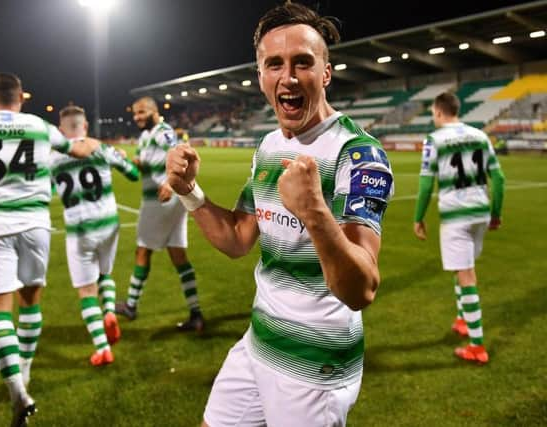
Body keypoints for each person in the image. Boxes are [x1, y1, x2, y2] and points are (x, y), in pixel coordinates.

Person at [166, 4, 393, 426]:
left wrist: (313, 211)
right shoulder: (270, 146)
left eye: (302, 63)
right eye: (275, 64)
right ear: (261, 77)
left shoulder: (359, 155)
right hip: (259, 343)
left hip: (315, 364)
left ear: (325, 73)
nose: (288, 77)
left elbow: (361, 288)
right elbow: (238, 237)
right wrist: (189, 193)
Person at [0, 72, 100, 426]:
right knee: (30, 303)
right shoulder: (40, 126)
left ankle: (17, 390)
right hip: (35, 225)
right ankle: (24, 370)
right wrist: (96, 144)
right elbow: (77, 147)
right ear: (21, 97)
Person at [414, 91, 505, 365]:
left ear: (439, 112)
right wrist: (496, 214)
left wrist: (418, 217)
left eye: (432, 112)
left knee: (465, 275)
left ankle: (477, 346)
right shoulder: (480, 135)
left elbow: (427, 184)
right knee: (463, 266)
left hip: (456, 216)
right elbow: (498, 178)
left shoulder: (434, 140)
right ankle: (463, 320)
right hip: (480, 212)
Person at [50, 105, 138, 366]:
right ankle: (109, 311)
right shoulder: (101, 148)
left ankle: (102, 348)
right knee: (105, 274)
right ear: (85, 126)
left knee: (86, 291)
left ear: (61, 129)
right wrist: (119, 155)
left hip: (80, 229)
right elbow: (133, 174)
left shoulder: (51, 156)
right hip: (109, 224)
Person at [115, 97, 204, 332]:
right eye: (135, 113)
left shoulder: (163, 131)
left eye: (142, 112)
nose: (137, 117)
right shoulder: (145, 136)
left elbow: (180, 153)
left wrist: (168, 183)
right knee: (178, 255)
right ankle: (196, 314)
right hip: (171, 202)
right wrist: (127, 159)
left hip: (160, 201)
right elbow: (143, 164)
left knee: (142, 250)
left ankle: (131, 305)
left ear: (154, 111)